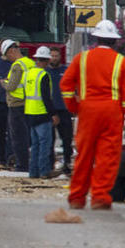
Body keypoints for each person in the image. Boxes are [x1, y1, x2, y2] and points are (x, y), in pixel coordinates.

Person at [60, 19, 125, 210]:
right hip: (112, 113)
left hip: (87, 111)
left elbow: (66, 86)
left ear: (96, 38)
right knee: (107, 157)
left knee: (84, 154)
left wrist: (74, 106)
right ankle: (100, 197)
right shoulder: (123, 62)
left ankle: (77, 197)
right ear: (114, 41)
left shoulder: (81, 59)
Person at [24, 46, 61, 179]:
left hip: (29, 113)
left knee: (34, 146)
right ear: (45, 60)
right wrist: (53, 114)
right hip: (42, 114)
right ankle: (44, 171)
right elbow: (46, 97)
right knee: (44, 145)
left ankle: (33, 173)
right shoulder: (43, 75)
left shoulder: (28, 73)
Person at [0, 39, 33, 173]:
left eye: (7, 55)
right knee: (29, 136)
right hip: (30, 103)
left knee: (18, 137)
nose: (8, 59)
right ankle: (29, 164)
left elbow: (12, 86)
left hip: (16, 104)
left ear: (12, 51)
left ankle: (22, 166)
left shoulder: (17, 65)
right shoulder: (30, 63)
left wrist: (3, 83)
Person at [47, 47, 74, 175]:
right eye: (52, 56)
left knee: (67, 139)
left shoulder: (66, 71)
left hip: (64, 110)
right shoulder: (45, 72)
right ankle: (50, 164)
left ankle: (67, 163)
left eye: (56, 56)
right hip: (50, 110)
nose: (54, 58)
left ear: (60, 57)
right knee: (49, 140)